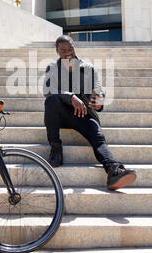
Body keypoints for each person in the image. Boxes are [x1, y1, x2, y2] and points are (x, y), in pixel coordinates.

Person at [43, 35, 136, 191]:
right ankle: (56, 149)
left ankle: (113, 169)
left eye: (70, 48)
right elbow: (48, 91)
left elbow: (98, 91)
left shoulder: (89, 68)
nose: (68, 53)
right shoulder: (52, 68)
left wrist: (98, 101)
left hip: (83, 114)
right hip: (61, 115)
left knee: (98, 138)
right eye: (63, 50)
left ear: (74, 47)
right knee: (51, 101)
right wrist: (70, 97)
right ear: (57, 51)